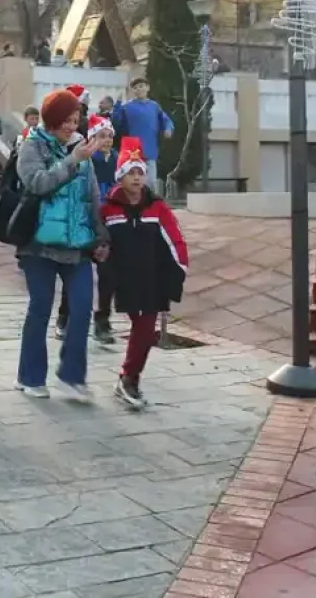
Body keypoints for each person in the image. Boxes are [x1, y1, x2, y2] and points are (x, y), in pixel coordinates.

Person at [14, 89, 110, 401]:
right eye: (67, 120)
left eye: (76, 120)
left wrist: (101, 236)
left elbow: (91, 197)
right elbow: (37, 183)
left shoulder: (82, 149)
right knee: (40, 308)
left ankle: (71, 375)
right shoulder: (32, 145)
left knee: (82, 308)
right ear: (53, 119)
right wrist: (72, 161)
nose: (72, 126)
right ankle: (29, 377)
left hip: (77, 244)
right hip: (38, 245)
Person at [101, 137, 188, 408]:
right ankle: (128, 379)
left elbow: (175, 239)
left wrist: (180, 268)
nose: (137, 178)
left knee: (147, 331)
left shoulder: (157, 207)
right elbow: (99, 242)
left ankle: (129, 379)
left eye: (140, 172)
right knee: (142, 328)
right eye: (131, 173)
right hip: (123, 280)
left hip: (151, 280)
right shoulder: (108, 209)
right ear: (120, 177)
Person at [56, 114, 117, 343]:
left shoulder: (118, 159)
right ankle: (65, 317)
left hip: (107, 225)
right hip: (84, 221)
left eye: (110, 136)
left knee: (108, 276)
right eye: (102, 136)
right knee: (74, 271)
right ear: (92, 138)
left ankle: (102, 321)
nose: (107, 140)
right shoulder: (85, 159)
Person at [110, 78, 173, 193]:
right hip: (133, 152)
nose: (139, 89)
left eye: (141, 86)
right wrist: (117, 105)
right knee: (134, 183)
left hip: (150, 151)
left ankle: (149, 207)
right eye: (135, 87)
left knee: (150, 183)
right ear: (133, 91)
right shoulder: (127, 107)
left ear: (147, 88)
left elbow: (166, 120)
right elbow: (116, 123)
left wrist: (168, 129)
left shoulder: (154, 106)